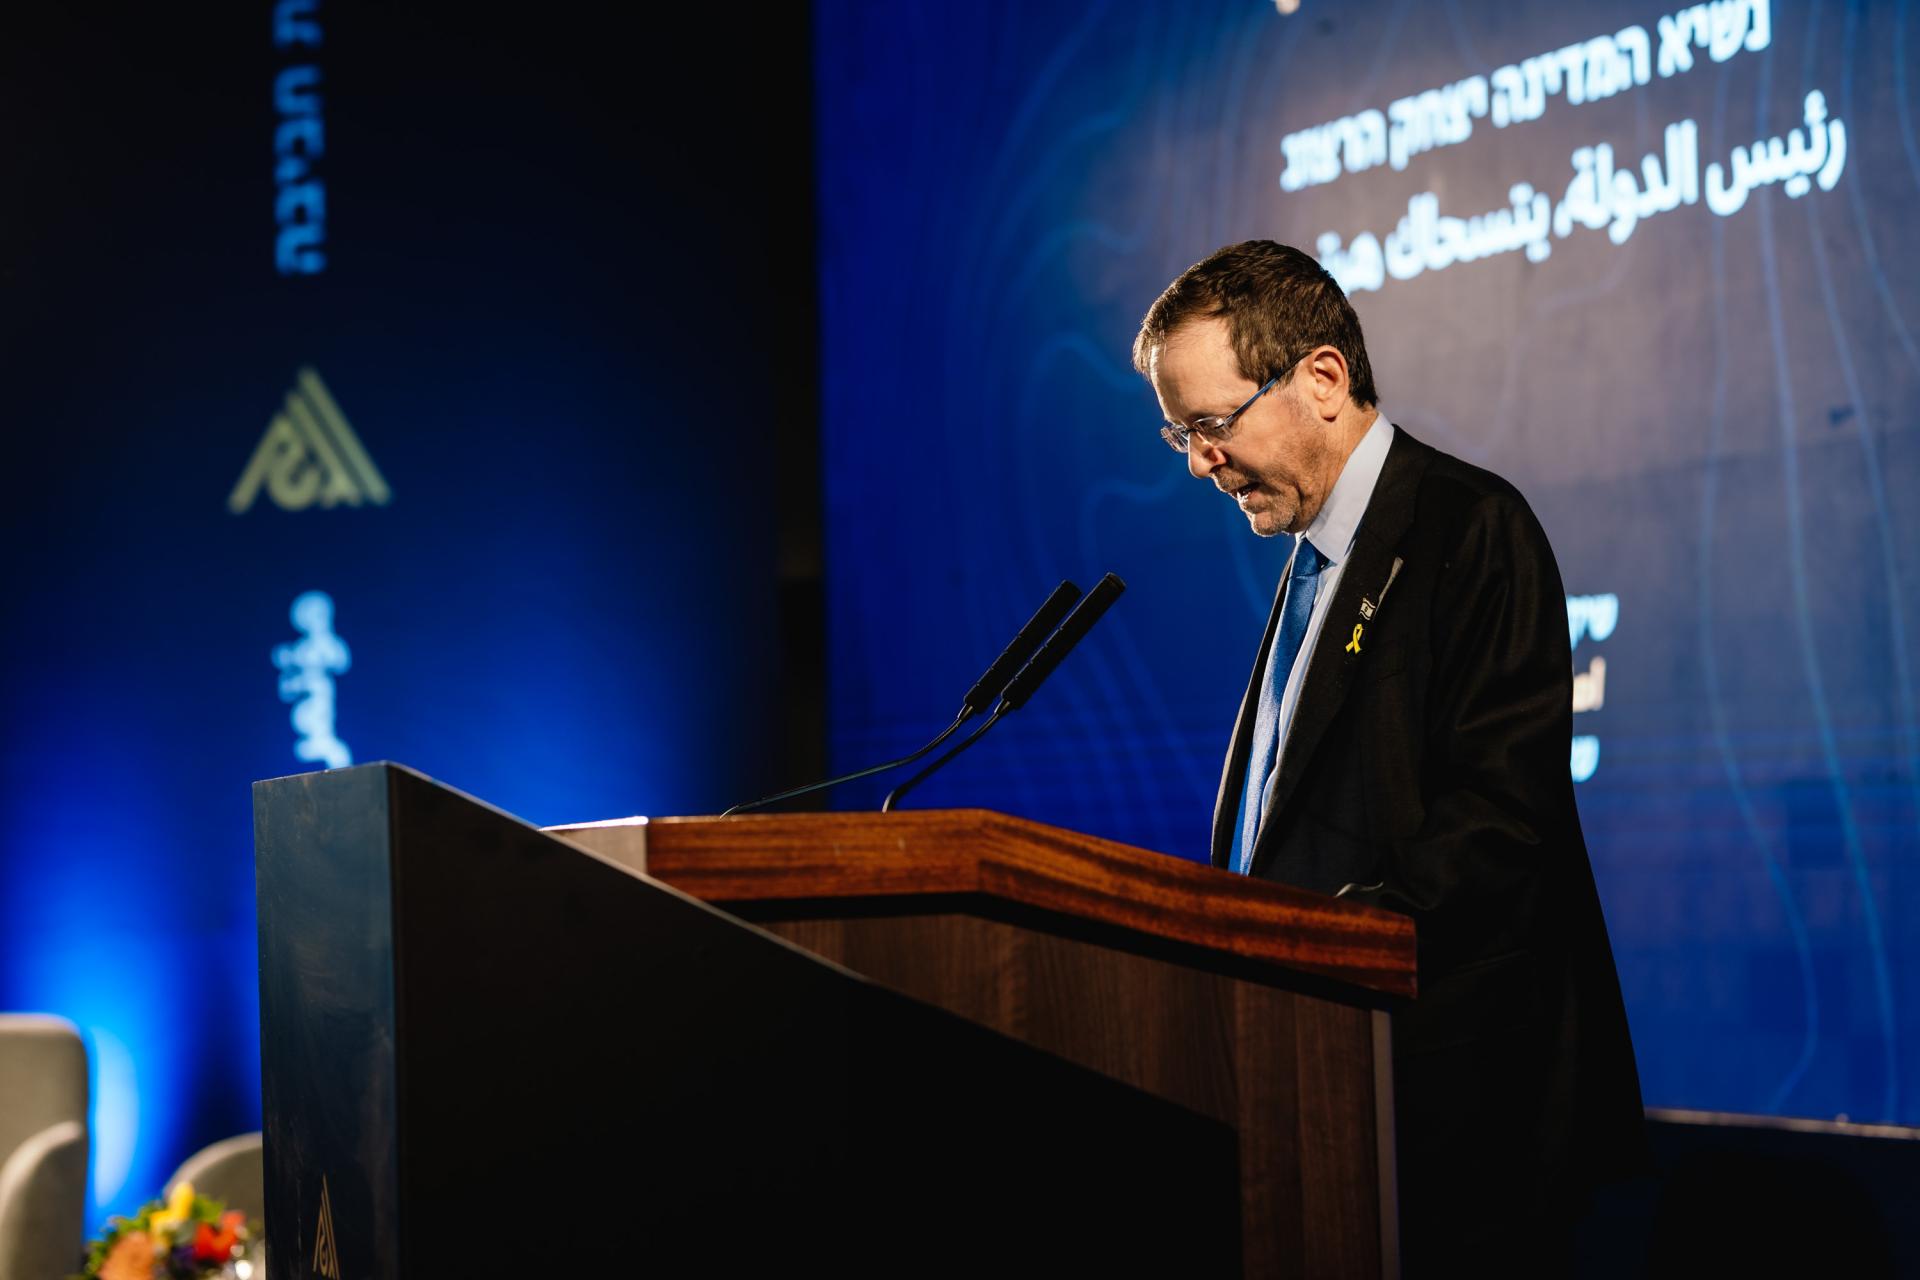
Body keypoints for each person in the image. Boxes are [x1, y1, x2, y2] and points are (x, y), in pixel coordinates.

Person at [1133, 240, 1646, 1272]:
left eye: (1213, 424)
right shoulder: (1309, 567)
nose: (1198, 461)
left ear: (1321, 379)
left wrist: (1316, 946)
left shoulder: (1470, 527)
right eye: (1178, 433)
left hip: (1457, 1134)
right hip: (1310, 1109)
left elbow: (1503, 821)